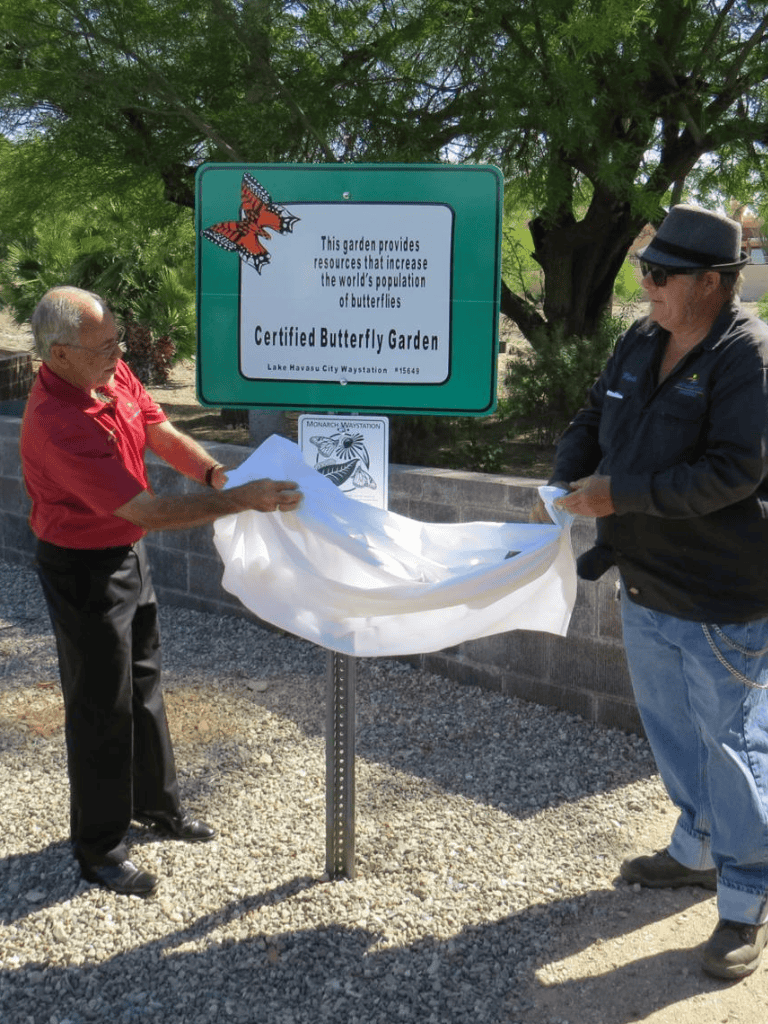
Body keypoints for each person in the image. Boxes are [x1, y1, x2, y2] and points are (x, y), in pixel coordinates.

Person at [531, 205, 768, 980]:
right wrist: (567, 474)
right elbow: (594, 414)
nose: (647, 285)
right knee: (673, 734)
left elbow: (736, 472)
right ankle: (696, 851)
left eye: (660, 275)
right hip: (646, 584)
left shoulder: (747, 359)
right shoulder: (641, 341)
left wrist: (619, 495)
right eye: (645, 270)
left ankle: (745, 899)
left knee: (734, 749)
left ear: (711, 284)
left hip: (721, 595)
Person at [20, 286, 302, 897]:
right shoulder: (58, 424)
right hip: (82, 567)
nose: (117, 354)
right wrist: (239, 500)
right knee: (101, 706)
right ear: (59, 353)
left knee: (144, 681)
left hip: (125, 551)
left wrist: (214, 472)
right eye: (103, 347)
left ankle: (159, 805)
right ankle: (99, 847)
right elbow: (146, 509)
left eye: (116, 340)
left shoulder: (107, 369)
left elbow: (157, 426)